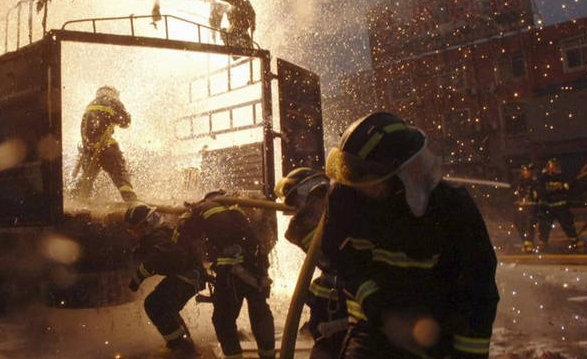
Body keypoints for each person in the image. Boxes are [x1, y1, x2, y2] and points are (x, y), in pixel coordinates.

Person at [319, 112, 498, 358]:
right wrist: (373, 301)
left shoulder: (451, 209)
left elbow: (478, 290)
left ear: (403, 175)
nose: (355, 185)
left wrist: (469, 354)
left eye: (367, 178)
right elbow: (337, 253)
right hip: (373, 328)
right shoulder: (344, 196)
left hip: (436, 334)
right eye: (351, 174)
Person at [174, 191, 276, 359]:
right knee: (259, 311)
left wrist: (186, 215)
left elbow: (182, 234)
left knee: (223, 319)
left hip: (231, 274)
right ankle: (269, 356)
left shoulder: (201, 208)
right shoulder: (236, 209)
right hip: (257, 268)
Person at [276, 167, 348, 359]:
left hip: (343, 308)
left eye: (294, 201)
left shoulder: (331, 209)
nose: (293, 209)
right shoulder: (327, 213)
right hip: (332, 308)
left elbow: (331, 256)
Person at [124, 204, 203, 356]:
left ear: (147, 224)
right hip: (188, 275)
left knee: (154, 305)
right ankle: (183, 345)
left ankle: (182, 348)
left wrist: (137, 278)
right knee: (167, 308)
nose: (134, 234)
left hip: (188, 276)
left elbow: (158, 256)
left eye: (136, 229)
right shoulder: (161, 232)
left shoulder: (159, 235)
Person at [75, 85, 137, 202]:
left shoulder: (90, 105)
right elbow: (125, 122)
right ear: (113, 93)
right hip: (107, 147)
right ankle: (132, 202)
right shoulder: (112, 101)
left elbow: (85, 131)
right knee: (121, 176)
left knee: (86, 180)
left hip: (88, 151)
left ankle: (76, 202)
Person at [536, 158, 581, 250]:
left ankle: (574, 240)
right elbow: (541, 191)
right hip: (547, 206)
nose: (554, 168)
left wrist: (563, 187)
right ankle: (542, 242)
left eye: (555, 166)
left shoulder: (562, 177)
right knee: (544, 225)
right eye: (552, 166)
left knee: (567, 223)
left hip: (560, 205)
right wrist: (553, 189)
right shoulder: (543, 178)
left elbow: (569, 189)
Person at [512, 164, 539, 253]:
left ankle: (529, 242)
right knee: (518, 223)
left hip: (531, 206)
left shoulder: (534, 182)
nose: (526, 173)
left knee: (529, 224)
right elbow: (515, 192)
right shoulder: (519, 182)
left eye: (527, 171)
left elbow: (537, 194)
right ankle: (525, 241)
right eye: (524, 171)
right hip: (520, 206)